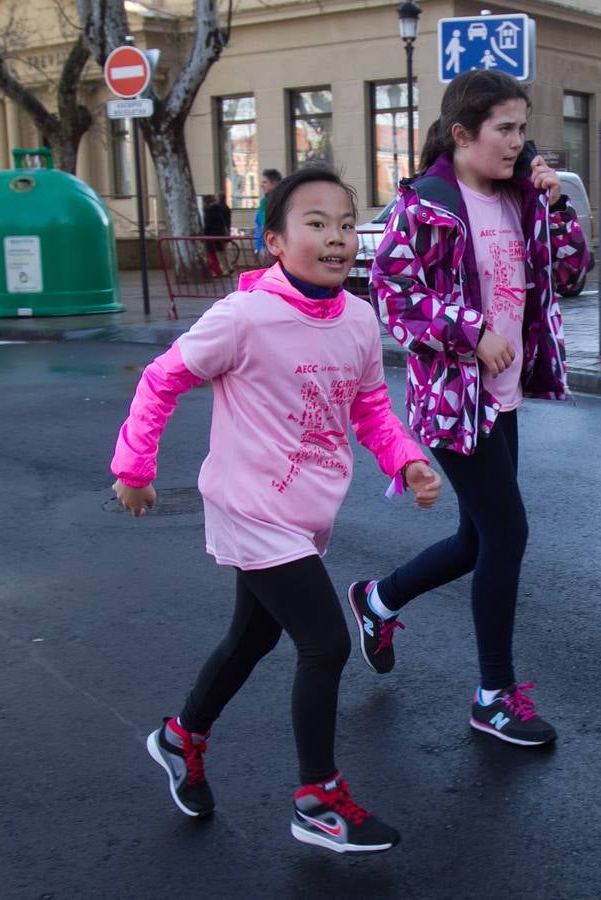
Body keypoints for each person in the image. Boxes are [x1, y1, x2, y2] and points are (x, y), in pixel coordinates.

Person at [109, 166, 443, 854]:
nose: (336, 238)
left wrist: (405, 458)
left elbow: (370, 407)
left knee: (252, 637)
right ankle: (316, 798)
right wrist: (133, 468)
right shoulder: (244, 315)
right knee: (323, 642)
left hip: (305, 513)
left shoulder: (356, 317)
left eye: (347, 225)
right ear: (274, 241)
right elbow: (162, 378)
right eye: (315, 224)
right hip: (248, 506)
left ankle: (180, 739)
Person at [364, 70, 590, 747]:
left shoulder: (521, 199)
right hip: (453, 402)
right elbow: (392, 295)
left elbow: (572, 273)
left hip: (502, 394)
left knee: (477, 539)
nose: (518, 144)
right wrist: (471, 331)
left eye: (523, 130)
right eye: (505, 130)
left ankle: (377, 600)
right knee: (507, 533)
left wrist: (555, 207)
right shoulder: (427, 205)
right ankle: (492, 697)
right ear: (462, 134)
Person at [253, 168, 282, 258]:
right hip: (269, 248)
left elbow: (264, 226)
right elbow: (260, 226)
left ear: (274, 183)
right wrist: (260, 247)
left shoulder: (282, 201)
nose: (262, 185)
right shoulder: (264, 203)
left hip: (276, 248)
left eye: (265, 182)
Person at [202, 193, 232, 277]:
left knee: (213, 254)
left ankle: (217, 271)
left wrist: (204, 234)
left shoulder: (208, 211)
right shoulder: (221, 209)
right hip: (221, 234)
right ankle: (227, 269)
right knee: (222, 252)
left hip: (211, 235)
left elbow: (208, 224)